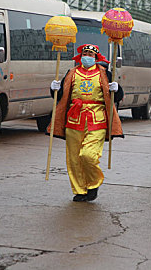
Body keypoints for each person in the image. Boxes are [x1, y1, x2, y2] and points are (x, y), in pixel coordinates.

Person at [49, 44, 123, 202]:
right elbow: (62, 94)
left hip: (97, 119)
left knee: (88, 155)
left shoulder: (104, 74)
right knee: (74, 158)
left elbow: (115, 97)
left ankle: (93, 183)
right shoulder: (72, 73)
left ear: (96, 58)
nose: (87, 56)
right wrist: (54, 88)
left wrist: (117, 89)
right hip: (74, 118)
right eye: (85, 53)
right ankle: (80, 190)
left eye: (90, 54)